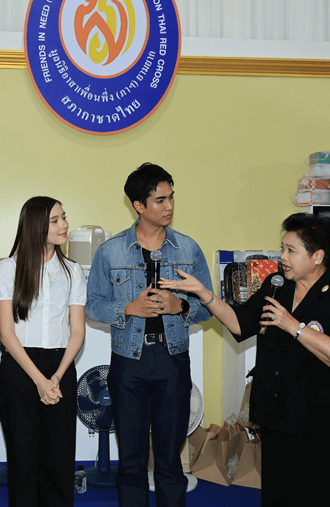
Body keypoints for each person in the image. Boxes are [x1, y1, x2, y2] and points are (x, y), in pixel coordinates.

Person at [160, 213, 330, 506]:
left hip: (327, 427)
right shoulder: (277, 287)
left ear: (318, 257)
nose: (282, 256)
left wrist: (293, 326)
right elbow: (240, 323)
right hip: (279, 419)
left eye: (291, 250)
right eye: (282, 248)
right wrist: (205, 295)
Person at [86, 163, 212, 507]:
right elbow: (92, 305)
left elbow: (209, 306)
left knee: (170, 459)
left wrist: (180, 306)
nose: (169, 206)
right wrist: (128, 308)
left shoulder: (188, 249)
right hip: (129, 361)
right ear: (139, 205)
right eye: (160, 200)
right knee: (131, 460)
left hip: (173, 359)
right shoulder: (111, 251)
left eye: (171, 197)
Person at [0, 196, 86, 507]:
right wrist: (39, 380)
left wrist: (56, 377)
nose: (64, 225)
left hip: (60, 366)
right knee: (23, 461)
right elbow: (7, 333)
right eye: (55, 220)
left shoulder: (73, 271)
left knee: (59, 459)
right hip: (20, 368)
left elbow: (77, 331)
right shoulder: (8, 268)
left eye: (64, 217)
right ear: (35, 227)